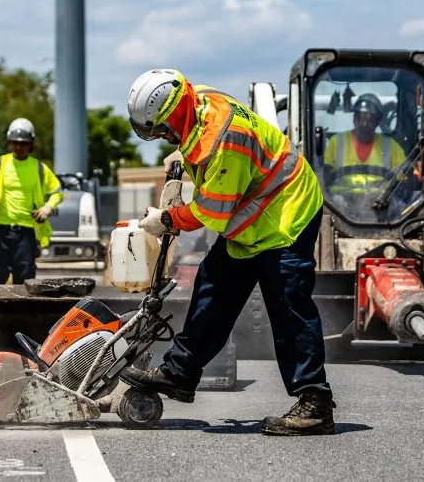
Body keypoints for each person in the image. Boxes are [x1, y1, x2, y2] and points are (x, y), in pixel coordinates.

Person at [119, 68, 335, 436]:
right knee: (214, 286)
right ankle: (180, 374)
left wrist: (166, 219)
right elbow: (197, 145)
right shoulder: (197, 99)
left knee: (287, 306)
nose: (160, 137)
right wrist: (180, 154)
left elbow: (211, 213)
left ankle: (314, 403)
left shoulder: (223, 142)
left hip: (287, 213)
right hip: (257, 211)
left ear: (172, 114)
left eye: (161, 130)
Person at [0, 118, 63, 285]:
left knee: (25, 278)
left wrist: (47, 208)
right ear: (9, 143)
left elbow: (57, 192)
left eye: (23, 143)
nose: (19, 147)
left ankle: (22, 312)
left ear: (31, 144)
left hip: (26, 233)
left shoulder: (39, 168)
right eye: (15, 143)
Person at [322, 92, 406, 193]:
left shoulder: (390, 145)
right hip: (341, 202)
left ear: (378, 122)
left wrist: (410, 176)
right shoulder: (336, 142)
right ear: (354, 119)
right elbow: (324, 174)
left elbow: (405, 173)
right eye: (360, 118)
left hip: (380, 202)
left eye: (370, 120)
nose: (364, 124)